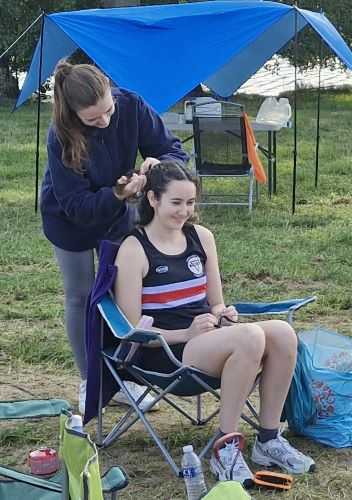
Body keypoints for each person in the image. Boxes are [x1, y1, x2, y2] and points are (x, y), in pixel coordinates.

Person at [114, 161, 315, 486]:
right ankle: (226, 448)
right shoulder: (134, 249)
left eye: (191, 203)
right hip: (162, 351)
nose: (184, 211)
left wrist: (223, 313)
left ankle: (268, 440)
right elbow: (132, 329)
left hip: (206, 339)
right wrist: (186, 332)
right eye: (176, 203)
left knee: (283, 333)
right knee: (249, 336)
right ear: (152, 199)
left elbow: (215, 301)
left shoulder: (201, 237)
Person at [40, 61, 189, 414]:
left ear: (111, 90)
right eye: (93, 119)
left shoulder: (131, 105)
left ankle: (127, 380)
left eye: (108, 111)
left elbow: (174, 150)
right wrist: (118, 195)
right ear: (74, 113)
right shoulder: (60, 134)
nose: (104, 121)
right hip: (69, 219)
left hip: (118, 215)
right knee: (81, 295)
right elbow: (77, 205)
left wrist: (158, 163)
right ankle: (91, 381)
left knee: (125, 294)